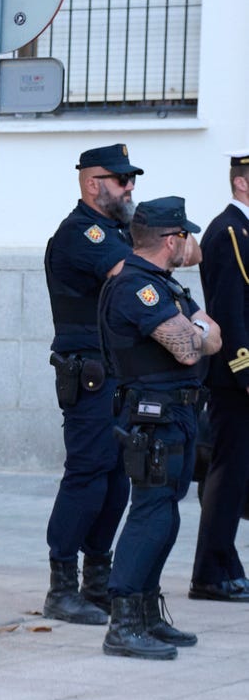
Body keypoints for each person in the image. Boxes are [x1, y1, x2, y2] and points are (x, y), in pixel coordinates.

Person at [98, 197, 221, 659]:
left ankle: (147, 611)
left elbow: (212, 332)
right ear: (172, 240)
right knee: (150, 514)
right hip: (154, 417)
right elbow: (192, 347)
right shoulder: (138, 287)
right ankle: (123, 621)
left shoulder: (162, 284)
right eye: (184, 236)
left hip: (178, 414)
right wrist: (197, 330)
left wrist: (197, 329)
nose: (189, 244)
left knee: (165, 515)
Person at [42, 144, 142, 624]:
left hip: (117, 372)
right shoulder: (83, 232)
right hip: (90, 374)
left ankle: (96, 581)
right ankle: (61, 587)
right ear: (92, 183)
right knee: (87, 474)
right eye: (121, 179)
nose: (129, 187)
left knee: (115, 477)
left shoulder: (118, 230)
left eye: (131, 179)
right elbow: (134, 274)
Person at [188, 152, 249, 603]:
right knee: (228, 472)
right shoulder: (229, 231)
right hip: (235, 378)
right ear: (243, 184)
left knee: (239, 472)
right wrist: (244, 369)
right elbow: (229, 311)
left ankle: (225, 561)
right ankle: (210, 571)